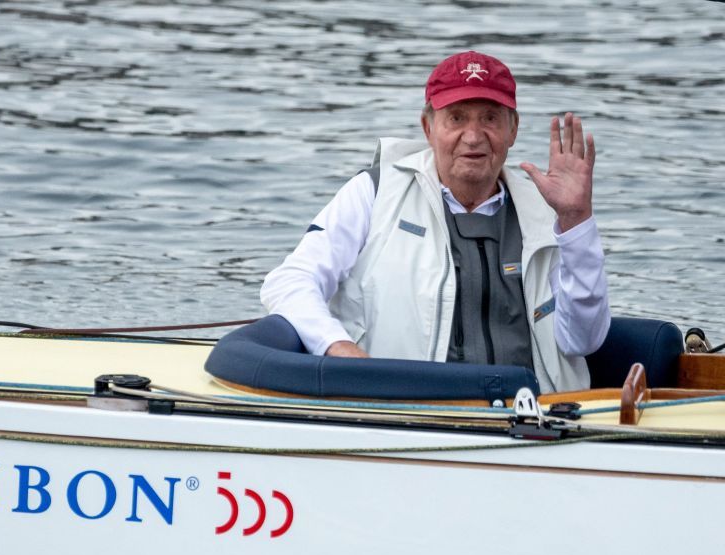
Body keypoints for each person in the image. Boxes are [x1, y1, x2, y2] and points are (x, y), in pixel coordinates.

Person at [260, 51, 610, 393]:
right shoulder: (374, 192)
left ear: (513, 129)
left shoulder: (550, 211)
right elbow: (288, 283)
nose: (473, 136)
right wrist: (338, 347)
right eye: (456, 118)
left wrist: (577, 222)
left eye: (489, 118)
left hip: (537, 424)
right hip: (402, 414)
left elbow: (584, 339)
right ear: (428, 127)